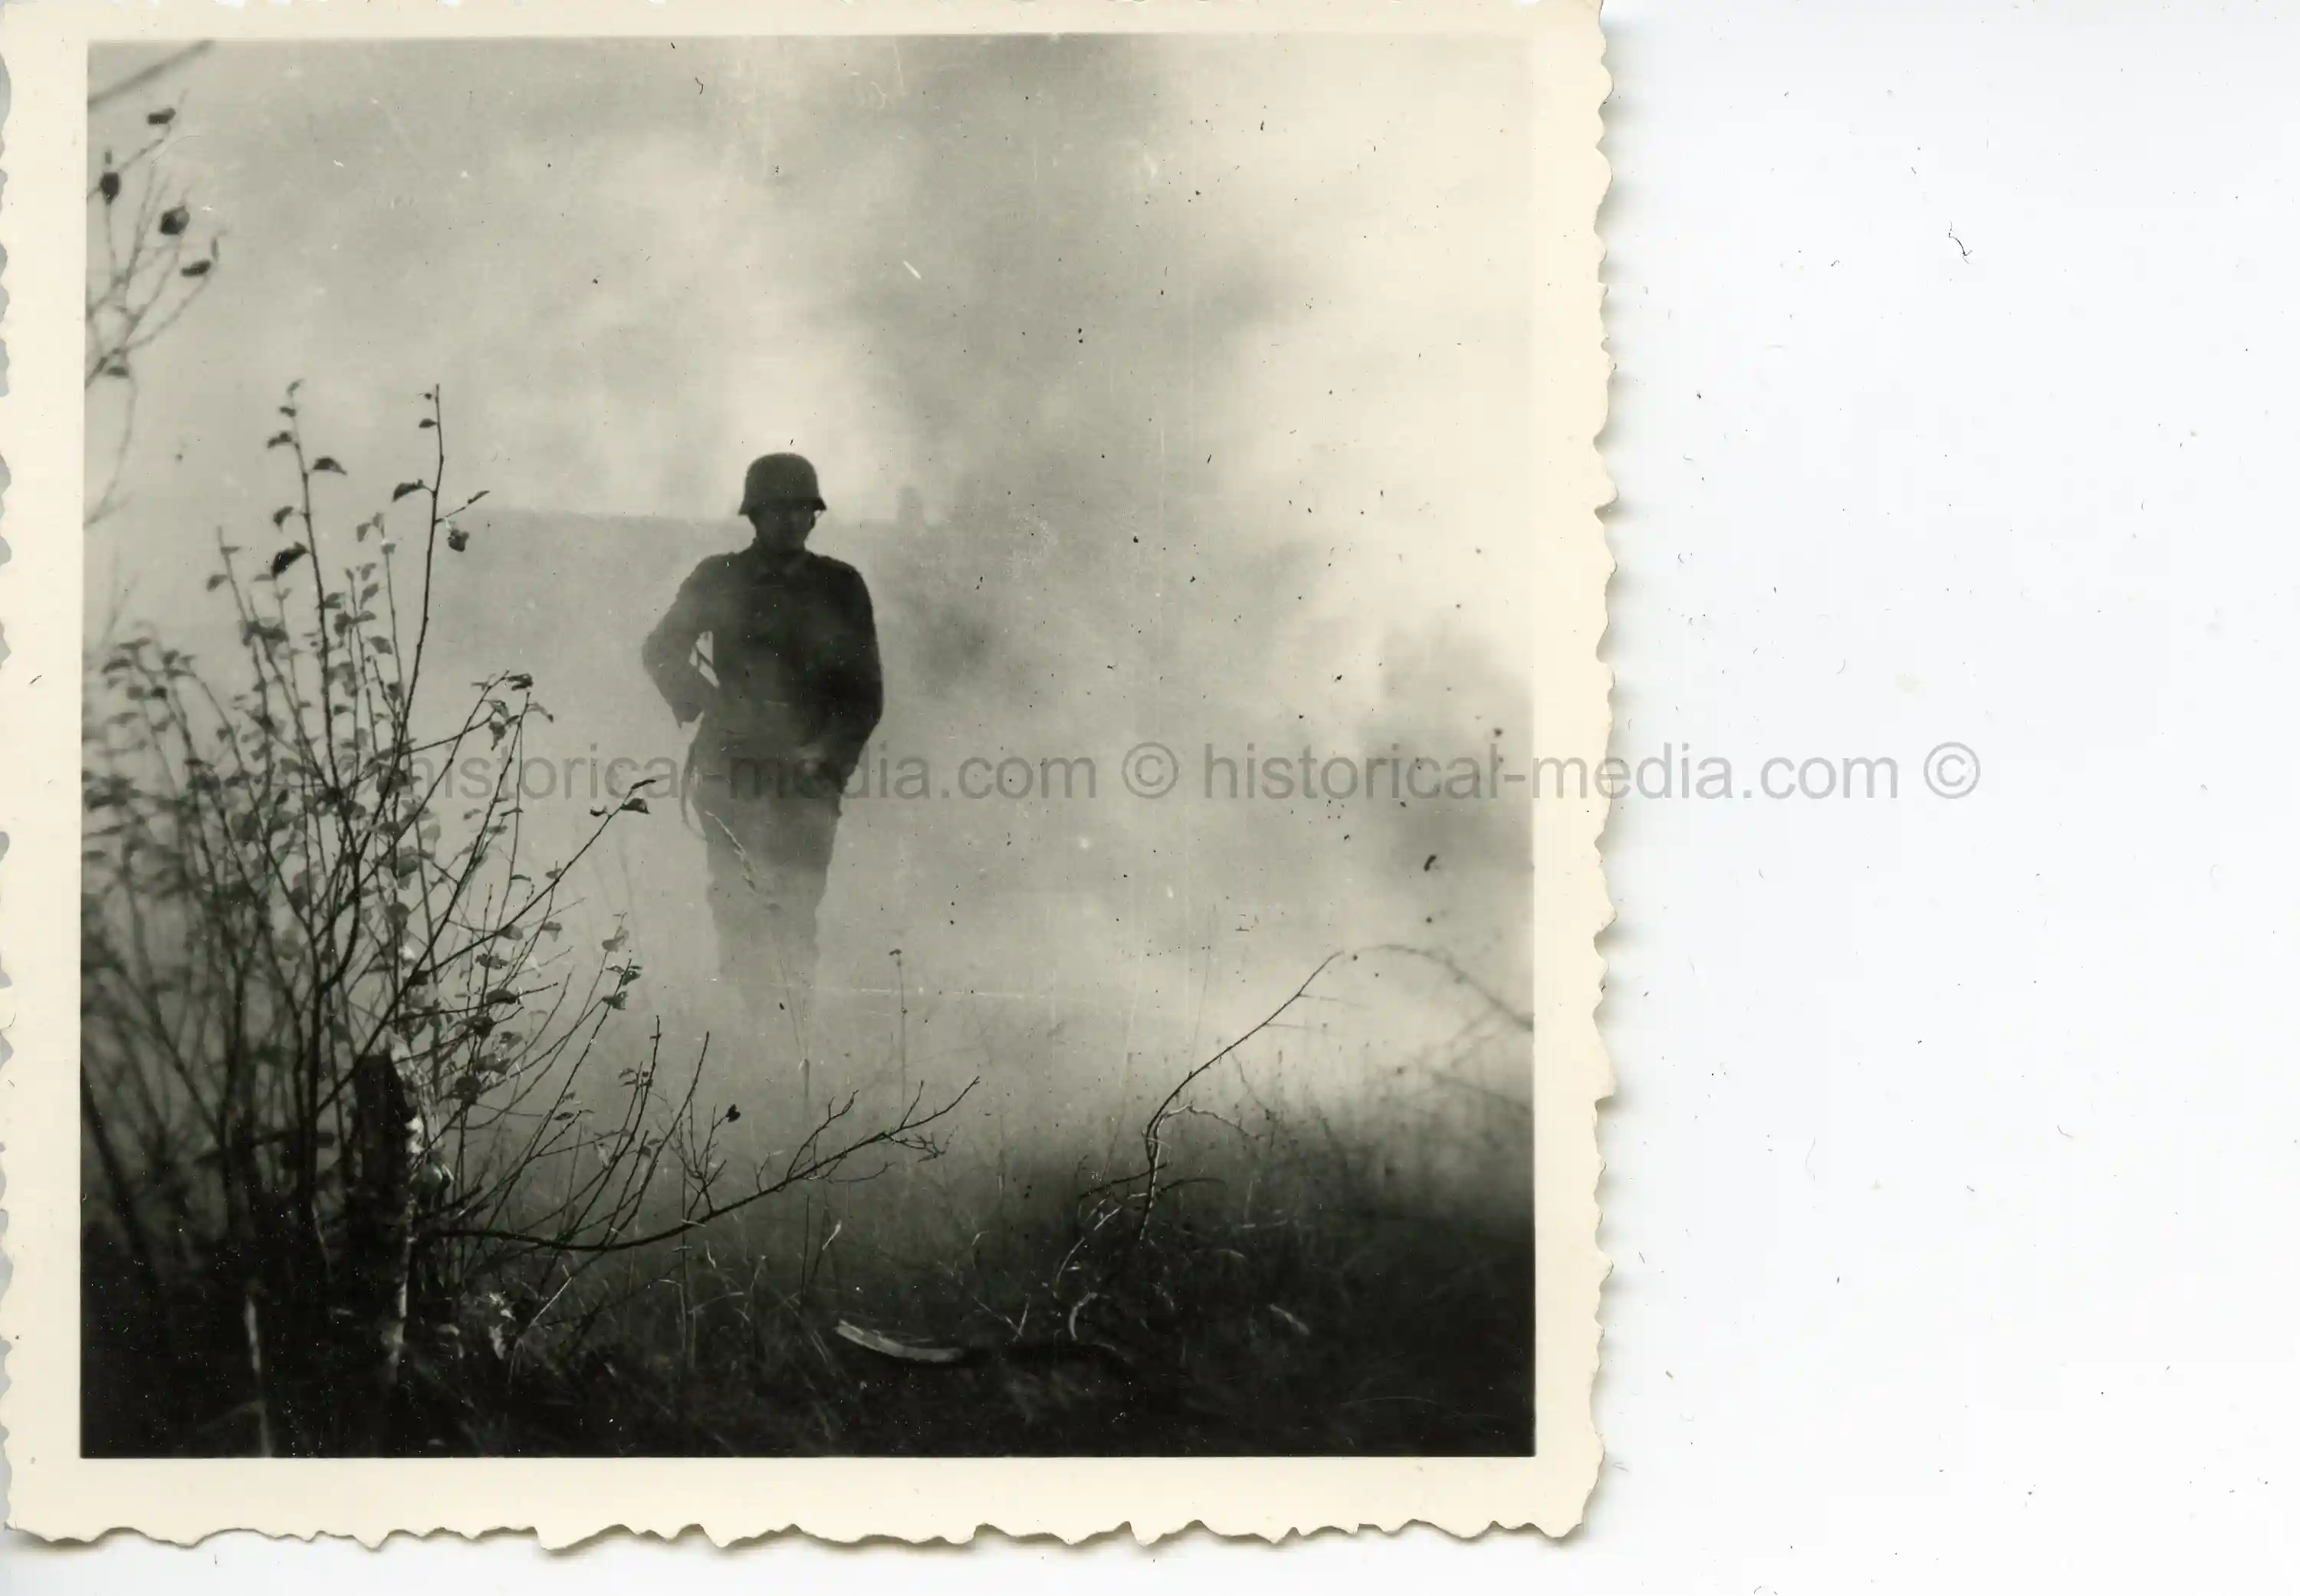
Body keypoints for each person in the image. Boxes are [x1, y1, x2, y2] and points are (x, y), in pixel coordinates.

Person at [641, 452, 882, 1044]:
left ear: (815, 515)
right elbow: (661, 648)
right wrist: (709, 704)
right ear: (754, 515)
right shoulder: (718, 577)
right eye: (777, 509)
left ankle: (792, 1042)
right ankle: (750, 1039)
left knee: (796, 908)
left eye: (801, 509)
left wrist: (826, 761)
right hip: (731, 767)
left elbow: (864, 695)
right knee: (737, 903)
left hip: (807, 772)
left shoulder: (841, 586)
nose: (790, 520)